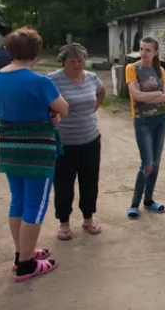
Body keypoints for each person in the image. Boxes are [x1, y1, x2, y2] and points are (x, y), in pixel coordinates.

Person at [0, 26, 69, 282]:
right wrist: (52, 113)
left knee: (18, 202)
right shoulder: (39, 81)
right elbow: (63, 108)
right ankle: (26, 265)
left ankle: (21, 253)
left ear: (9, 51)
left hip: (9, 149)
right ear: (35, 53)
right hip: (36, 151)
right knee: (35, 207)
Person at [49, 43, 107, 241]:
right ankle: (64, 223)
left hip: (90, 139)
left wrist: (92, 110)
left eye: (80, 60)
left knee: (90, 181)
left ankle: (88, 219)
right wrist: (51, 116)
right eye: (72, 61)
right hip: (64, 143)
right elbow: (43, 102)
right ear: (64, 62)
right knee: (64, 184)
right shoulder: (53, 80)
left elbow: (101, 92)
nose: (77, 65)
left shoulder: (91, 78)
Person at [125, 36, 165, 220]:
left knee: (156, 163)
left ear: (155, 52)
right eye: (141, 49)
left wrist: (150, 95)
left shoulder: (160, 70)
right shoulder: (132, 68)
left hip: (160, 119)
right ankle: (135, 203)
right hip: (142, 120)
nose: (143, 53)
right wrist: (157, 93)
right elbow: (136, 96)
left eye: (147, 50)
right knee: (147, 164)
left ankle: (149, 200)